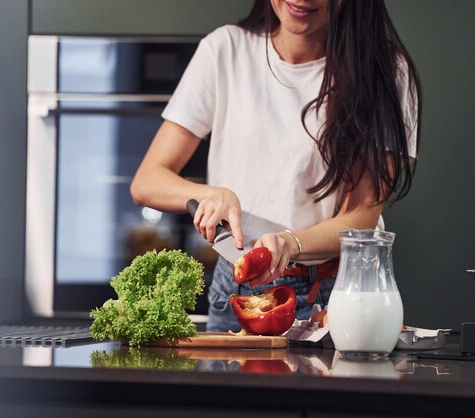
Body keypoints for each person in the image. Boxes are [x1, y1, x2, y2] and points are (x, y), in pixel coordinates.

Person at [130, 0, 421, 332]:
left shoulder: (383, 70)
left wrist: (289, 243)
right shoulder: (225, 50)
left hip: (339, 296)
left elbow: (361, 218)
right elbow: (147, 181)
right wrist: (214, 194)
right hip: (238, 289)